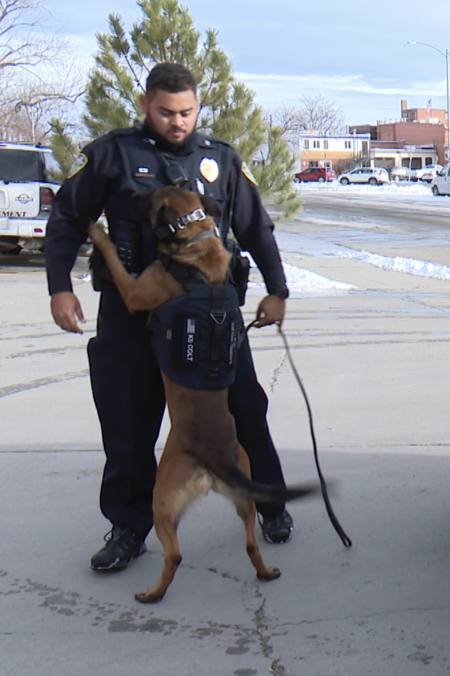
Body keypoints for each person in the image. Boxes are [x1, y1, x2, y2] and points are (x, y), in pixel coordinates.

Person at [45, 63, 296, 572]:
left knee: (245, 408)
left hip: (209, 314)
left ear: (197, 106)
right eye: (165, 111)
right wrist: (59, 288)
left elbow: (255, 228)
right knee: (128, 420)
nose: (177, 121)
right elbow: (68, 218)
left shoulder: (219, 159)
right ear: (145, 105)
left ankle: (271, 505)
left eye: (186, 111)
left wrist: (278, 289)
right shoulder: (113, 153)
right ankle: (128, 526)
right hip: (133, 312)